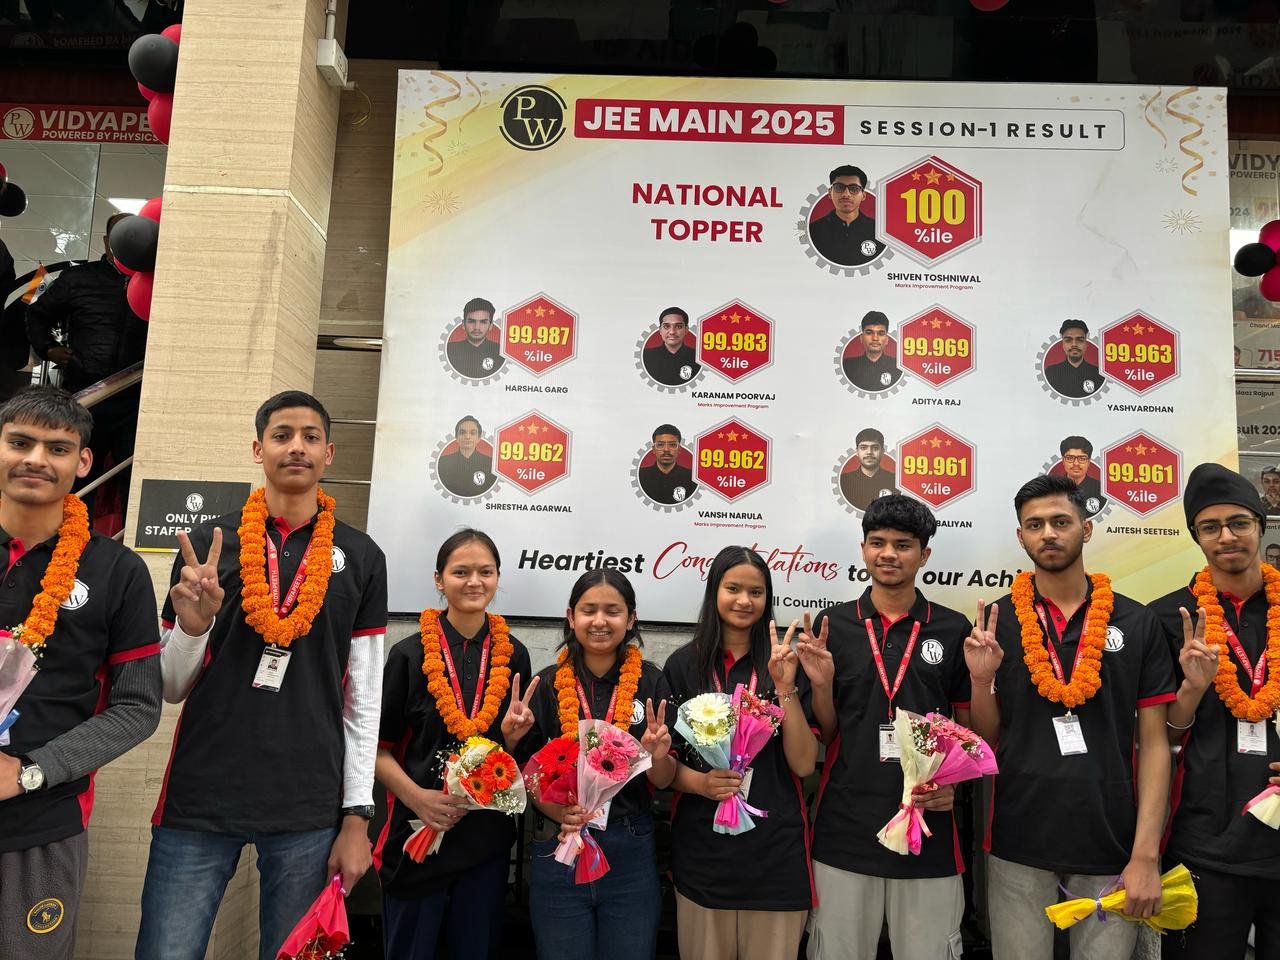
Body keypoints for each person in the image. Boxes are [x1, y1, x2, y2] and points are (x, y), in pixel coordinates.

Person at [135, 390, 389, 960]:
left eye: (310, 437)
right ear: (258, 449)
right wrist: (193, 627)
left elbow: (364, 700)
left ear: (329, 452)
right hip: (201, 794)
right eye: (281, 435)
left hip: (308, 803)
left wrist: (357, 817)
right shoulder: (207, 546)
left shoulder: (362, 556)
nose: (296, 446)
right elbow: (170, 687)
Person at [964, 474, 1174, 960]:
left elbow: (1154, 744)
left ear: (1087, 528)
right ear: (1021, 537)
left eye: (1061, 522)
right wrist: (980, 680)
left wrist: (1146, 855)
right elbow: (985, 740)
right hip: (1019, 836)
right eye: (1034, 525)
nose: (1048, 534)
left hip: (1111, 841)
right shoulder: (996, 622)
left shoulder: (1135, 621)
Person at [0, 387, 161, 960]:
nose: (36, 459)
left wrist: (30, 772)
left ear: (84, 462)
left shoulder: (117, 570)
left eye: (57, 448)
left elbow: (138, 707)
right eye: (20, 442)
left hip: (42, 822)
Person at [798, 496, 972, 960]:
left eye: (903, 544)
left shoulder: (952, 628)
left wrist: (955, 786)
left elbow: (970, 735)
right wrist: (821, 686)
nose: (888, 553)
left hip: (927, 825)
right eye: (878, 543)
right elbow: (829, 731)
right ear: (863, 549)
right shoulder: (832, 625)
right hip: (845, 826)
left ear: (924, 555)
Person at [373, 529, 534, 958]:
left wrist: (512, 739)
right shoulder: (409, 655)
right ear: (439, 580)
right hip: (418, 832)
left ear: (498, 577)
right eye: (461, 572)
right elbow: (376, 749)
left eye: (485, 571)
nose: (474, 581)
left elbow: (507, 760)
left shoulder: (514, 655)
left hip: (484, 838)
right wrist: (418, 799)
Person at [1148, 464, 1280, 960]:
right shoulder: (1167, 617)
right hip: (1205, 843)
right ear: (1196, 537)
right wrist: (1193, 688)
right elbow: (1161, 736)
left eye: (1239, 523)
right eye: (1210, 527)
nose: (1226, 536)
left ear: (1261, 526)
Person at [664, 547, 818, 960]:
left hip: (775, 854)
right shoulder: (683, 665)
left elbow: (804, 763)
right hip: (703, 856)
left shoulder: (784, 663)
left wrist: (785, 688)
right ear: (714, 591)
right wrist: (700, 783)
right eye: (733, 588)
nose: (744, 601)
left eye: (756, 592)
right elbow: (664, 768)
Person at [524, 569, 676, 960]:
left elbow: (664, 780)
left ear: (631, 618)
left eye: (613, 610)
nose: (600, 621)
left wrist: (658, 755)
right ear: (570, 616)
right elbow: (530, 776)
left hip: (630, 846)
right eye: (588, 610)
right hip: (560, 843)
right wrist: (561, 814)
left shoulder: (651, 683)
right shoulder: (547, 685)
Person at [25, 212, 149, 521]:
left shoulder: (156, 281)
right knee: (80, 478)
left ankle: (122, 545)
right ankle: (72, 541)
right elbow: (37, 314)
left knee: (133, 481)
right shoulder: (78, 279)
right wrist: (48, 348)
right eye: (122, 234)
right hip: (86, 395)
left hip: (137, 399)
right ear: (107, 241)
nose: (130, 240)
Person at [808, 165, 885, 267]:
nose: (846, 194)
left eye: (854, 188)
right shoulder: (813, 230)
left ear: (863, 195)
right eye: (839, 187)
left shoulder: (880, 232)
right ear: (830, 193)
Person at [840, 427, 898, 511]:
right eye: (863, 448)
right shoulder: (844, 480)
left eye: (875, 448)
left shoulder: (895, 481)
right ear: (857, 452)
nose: (869, 452)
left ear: (882, 451)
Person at [437, 415, 496, 498]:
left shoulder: (490, 464)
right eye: (462, 432)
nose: (467, 437)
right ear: (456, 437)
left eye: (472, 433)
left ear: (479, 438)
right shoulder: (442, 463)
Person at [841, 311, 901, 392]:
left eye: (881, 333)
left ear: (887, 339)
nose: (875, 338)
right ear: (861, 338)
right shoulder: (847, 365)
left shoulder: (898, 367)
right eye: (869, 333)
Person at [1043, 319, 1104, 399]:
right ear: (1063, 344)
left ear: (1086, 343)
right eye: (1068, 340)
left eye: (1080, 340)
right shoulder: (1051, 373)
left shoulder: (1099, 374)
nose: (1074, 344)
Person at [445, 297, 504, 380]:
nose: (477, 327)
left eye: (483, 322)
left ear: (491, 326)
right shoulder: (449, 350)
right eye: (471, 321)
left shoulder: (501, 353)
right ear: (463, 324)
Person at [637, 424, 696, 504]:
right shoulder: (640, 476)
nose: (666, 449)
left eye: (672, 445)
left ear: (679, 449)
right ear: (653, 449)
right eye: (660, 444)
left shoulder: (693, 478)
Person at [642, 307, 700, 386]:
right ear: (660, 330)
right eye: (666, 326)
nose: (672, 332)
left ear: (686, 330)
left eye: (678, 326)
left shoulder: (698, 358)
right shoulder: (646, 356)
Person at [1059, 436, 1107, 516]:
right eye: (1070, 458)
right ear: (1063, 461)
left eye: (1082, 458)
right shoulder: (1052, 489)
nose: (1076, 463)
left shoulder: (1101, 490)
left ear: (1089, 462)